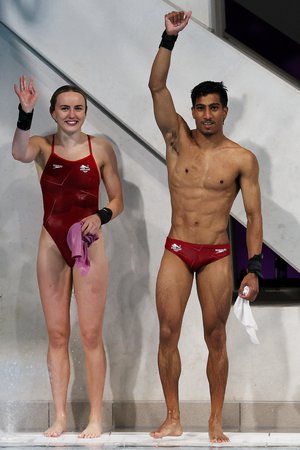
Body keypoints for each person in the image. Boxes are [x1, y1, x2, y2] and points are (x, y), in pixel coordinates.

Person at [148, 11, 263, 443]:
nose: (207, 114)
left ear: (225, 111)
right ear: (192, 111)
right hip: (178, 248)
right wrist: (168, 38)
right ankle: (173, 416)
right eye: (200, 107)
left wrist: (253, 266)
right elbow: (157, 86)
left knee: (216, 335)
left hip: (216, 254)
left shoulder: (241, 159)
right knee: (166, 332)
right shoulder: (177, 138)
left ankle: (215, 420)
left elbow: (253, 217)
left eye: (215, 107)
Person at [12, 75, 124, 438]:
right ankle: (59, 416)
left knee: (91, 334)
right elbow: (18, 152)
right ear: (53, 112)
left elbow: (117, 200)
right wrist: (24, 113)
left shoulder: (102, 148)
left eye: (78, 108)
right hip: (51, 243)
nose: (72, 114)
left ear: (85, 112)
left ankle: (95, 417)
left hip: (89, 242)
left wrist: (100, 216)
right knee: (57, 334)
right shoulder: (42, 146)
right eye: (65, 108)